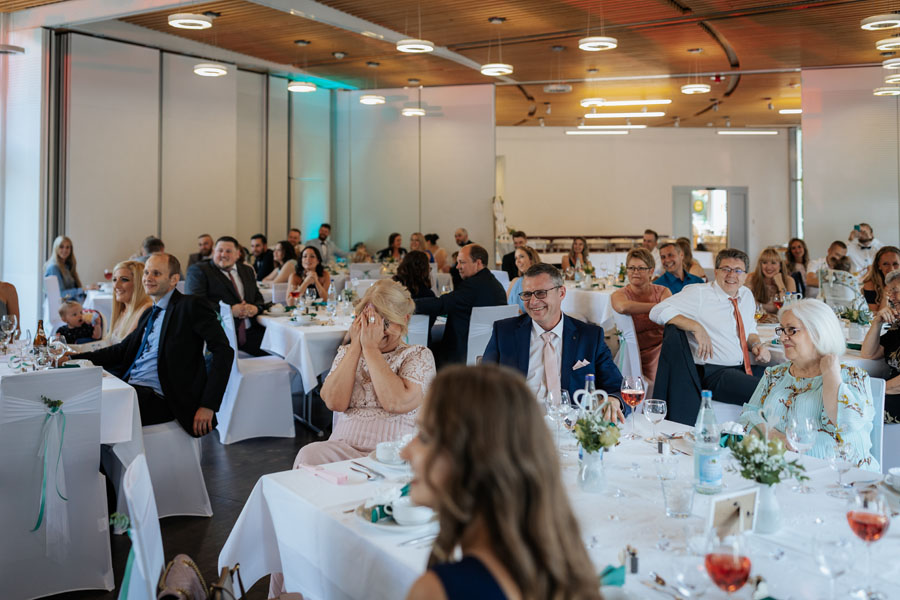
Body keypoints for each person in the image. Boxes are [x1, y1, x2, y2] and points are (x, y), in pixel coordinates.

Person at [402, 364, 603, 600]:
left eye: (425, 437)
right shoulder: (558, 569)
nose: (405, 452)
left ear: (475, 456)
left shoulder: (438, 590)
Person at [71, 253, 233, 437]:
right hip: (131, 388)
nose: (148, 278)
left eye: (156, 273)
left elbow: (223, 352)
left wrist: (208, 405)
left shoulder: (191, 306)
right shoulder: (150, 314)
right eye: (146, 272)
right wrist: (72, 359)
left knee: (89, 409)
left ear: (174, 279)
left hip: (163, 398)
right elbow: (121, 350)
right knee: (79, 398)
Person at [293, 280, 435, 465]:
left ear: (405, 320)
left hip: (394, 453)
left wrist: (370, 349)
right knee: (308, 454)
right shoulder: (347, 353)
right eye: (369, 320)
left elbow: (396, 402)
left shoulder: (417, 355)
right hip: (343, 449)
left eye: (385, 322)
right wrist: (355, 347)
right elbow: (334, 402)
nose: (375, 330)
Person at [740, 299, 879, 471]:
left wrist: (830, 374)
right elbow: (747, 417)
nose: (783, 337)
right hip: (785, 473)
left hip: (843, 479)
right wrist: (775, 436)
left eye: (792, 330)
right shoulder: (774, 375)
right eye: (782, 330)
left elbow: (847, 423)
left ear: (818, 332)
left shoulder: (852, 376)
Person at [483, 263, 626, 420]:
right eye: (527, 294)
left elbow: (616, 387)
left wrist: (614, 400)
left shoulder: (589, 336)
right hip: (518, 426)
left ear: (562, 293)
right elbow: (482, 385)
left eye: (541, 293)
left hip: (572, 428)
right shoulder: (504, 332)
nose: (533, 302)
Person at [649, 248, 772, 406]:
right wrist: (695, 326)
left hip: (743, 368)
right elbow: (656, 311)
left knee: (787, 384)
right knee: (766, 392)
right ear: (716, 271)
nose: (731, 275)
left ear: (746, 274)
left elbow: (750, 330)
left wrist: (756, 345)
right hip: (715, 373)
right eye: (726, 269)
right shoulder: (700, 294)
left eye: (738, 270)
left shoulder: (746, 295)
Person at [414, 244, 507, 366]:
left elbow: (441, 304)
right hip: (491, 353)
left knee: (426, 349)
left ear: (478, 263)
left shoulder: (472, 286)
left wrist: (409, 304)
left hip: (460, 355)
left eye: (462, 262)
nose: (457, 267)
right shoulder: (496, 285)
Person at [185, 236, 266, 356]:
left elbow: (258, 298)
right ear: (213, 252)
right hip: (219, 335)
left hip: (251, 332)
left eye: (228, 251)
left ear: (238, 254)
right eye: (220, 251)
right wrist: (228, 311)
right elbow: (195, 302)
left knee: (281, 353)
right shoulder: (199, 270)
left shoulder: (247, 270)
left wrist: (255, 308)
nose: (223, 255)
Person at [611, 248, 671, 383]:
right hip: (634, 351)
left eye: (641, 268)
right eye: (631, 268)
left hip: (662, 347)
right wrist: (658, 307)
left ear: (651, 271)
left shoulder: (663, 292)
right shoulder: (620, 294)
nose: (635, 272)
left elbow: (670, 313)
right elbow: (623, 307)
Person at [860, 268, 900, 424]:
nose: (892, 298)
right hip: (890, 394)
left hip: (893, 397)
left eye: (895, 291)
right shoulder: (897, 326)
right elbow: (868, 354)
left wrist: (872, 391)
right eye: (890, 293)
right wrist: (877, 322)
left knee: (852, 411)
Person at [745, 247, 797, 322]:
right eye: (765, 262)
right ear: (760, 265)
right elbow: (748, 305)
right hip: (757, 323)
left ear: (780, 265)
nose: (769, 267)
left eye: (773, 263)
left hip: (782, 323)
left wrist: (780, 285)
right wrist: (767, 317)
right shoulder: (751, 278)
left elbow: (789, 308)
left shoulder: (789, 281)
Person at [109, 260, 152, 344]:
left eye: (124, 280)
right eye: (114, 279)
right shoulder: (122, 310)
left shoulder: (145, 308)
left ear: (139, 284)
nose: (116, 286)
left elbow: (123, 349)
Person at [44, 235, 88, 302]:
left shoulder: (67, 266)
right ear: (56, 248)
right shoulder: (53, 268)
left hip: (72, 304)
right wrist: (83, 289)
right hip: (65, 307)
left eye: (67, 247)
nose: (65, 250)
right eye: (61, 247)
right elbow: (61, 294)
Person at [861, 246, 900, 312]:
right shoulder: (870, 285)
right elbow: (876, 317)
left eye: (895, 264)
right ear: (879, 265)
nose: (891, 269)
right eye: (885, 264)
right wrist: (885, 294)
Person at [506, 246, 541, 313]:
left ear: (531, 259)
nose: (518, 261)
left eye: (521, 256)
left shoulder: (540, 282)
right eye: (516, 258)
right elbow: (505, 306)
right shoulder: (515, 281)